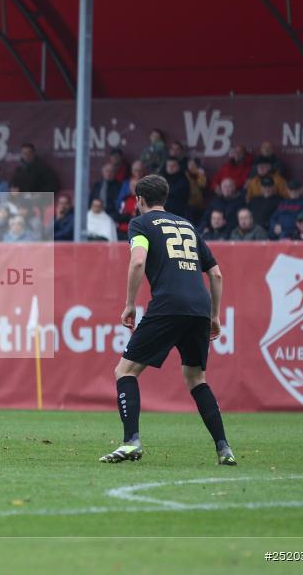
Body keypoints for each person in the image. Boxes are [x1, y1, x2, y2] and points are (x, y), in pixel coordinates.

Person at [99, 174, 235, 466]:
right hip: (199, 308)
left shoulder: (140, 224)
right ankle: (224, 448)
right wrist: (214, 315)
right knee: (196, 378)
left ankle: (131, 442)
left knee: (125, 371)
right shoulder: (188, 225)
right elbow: (216, 274)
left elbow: (138, 260)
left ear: (139, 200)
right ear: (165, 198)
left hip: (168, 304)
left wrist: (130, 304)